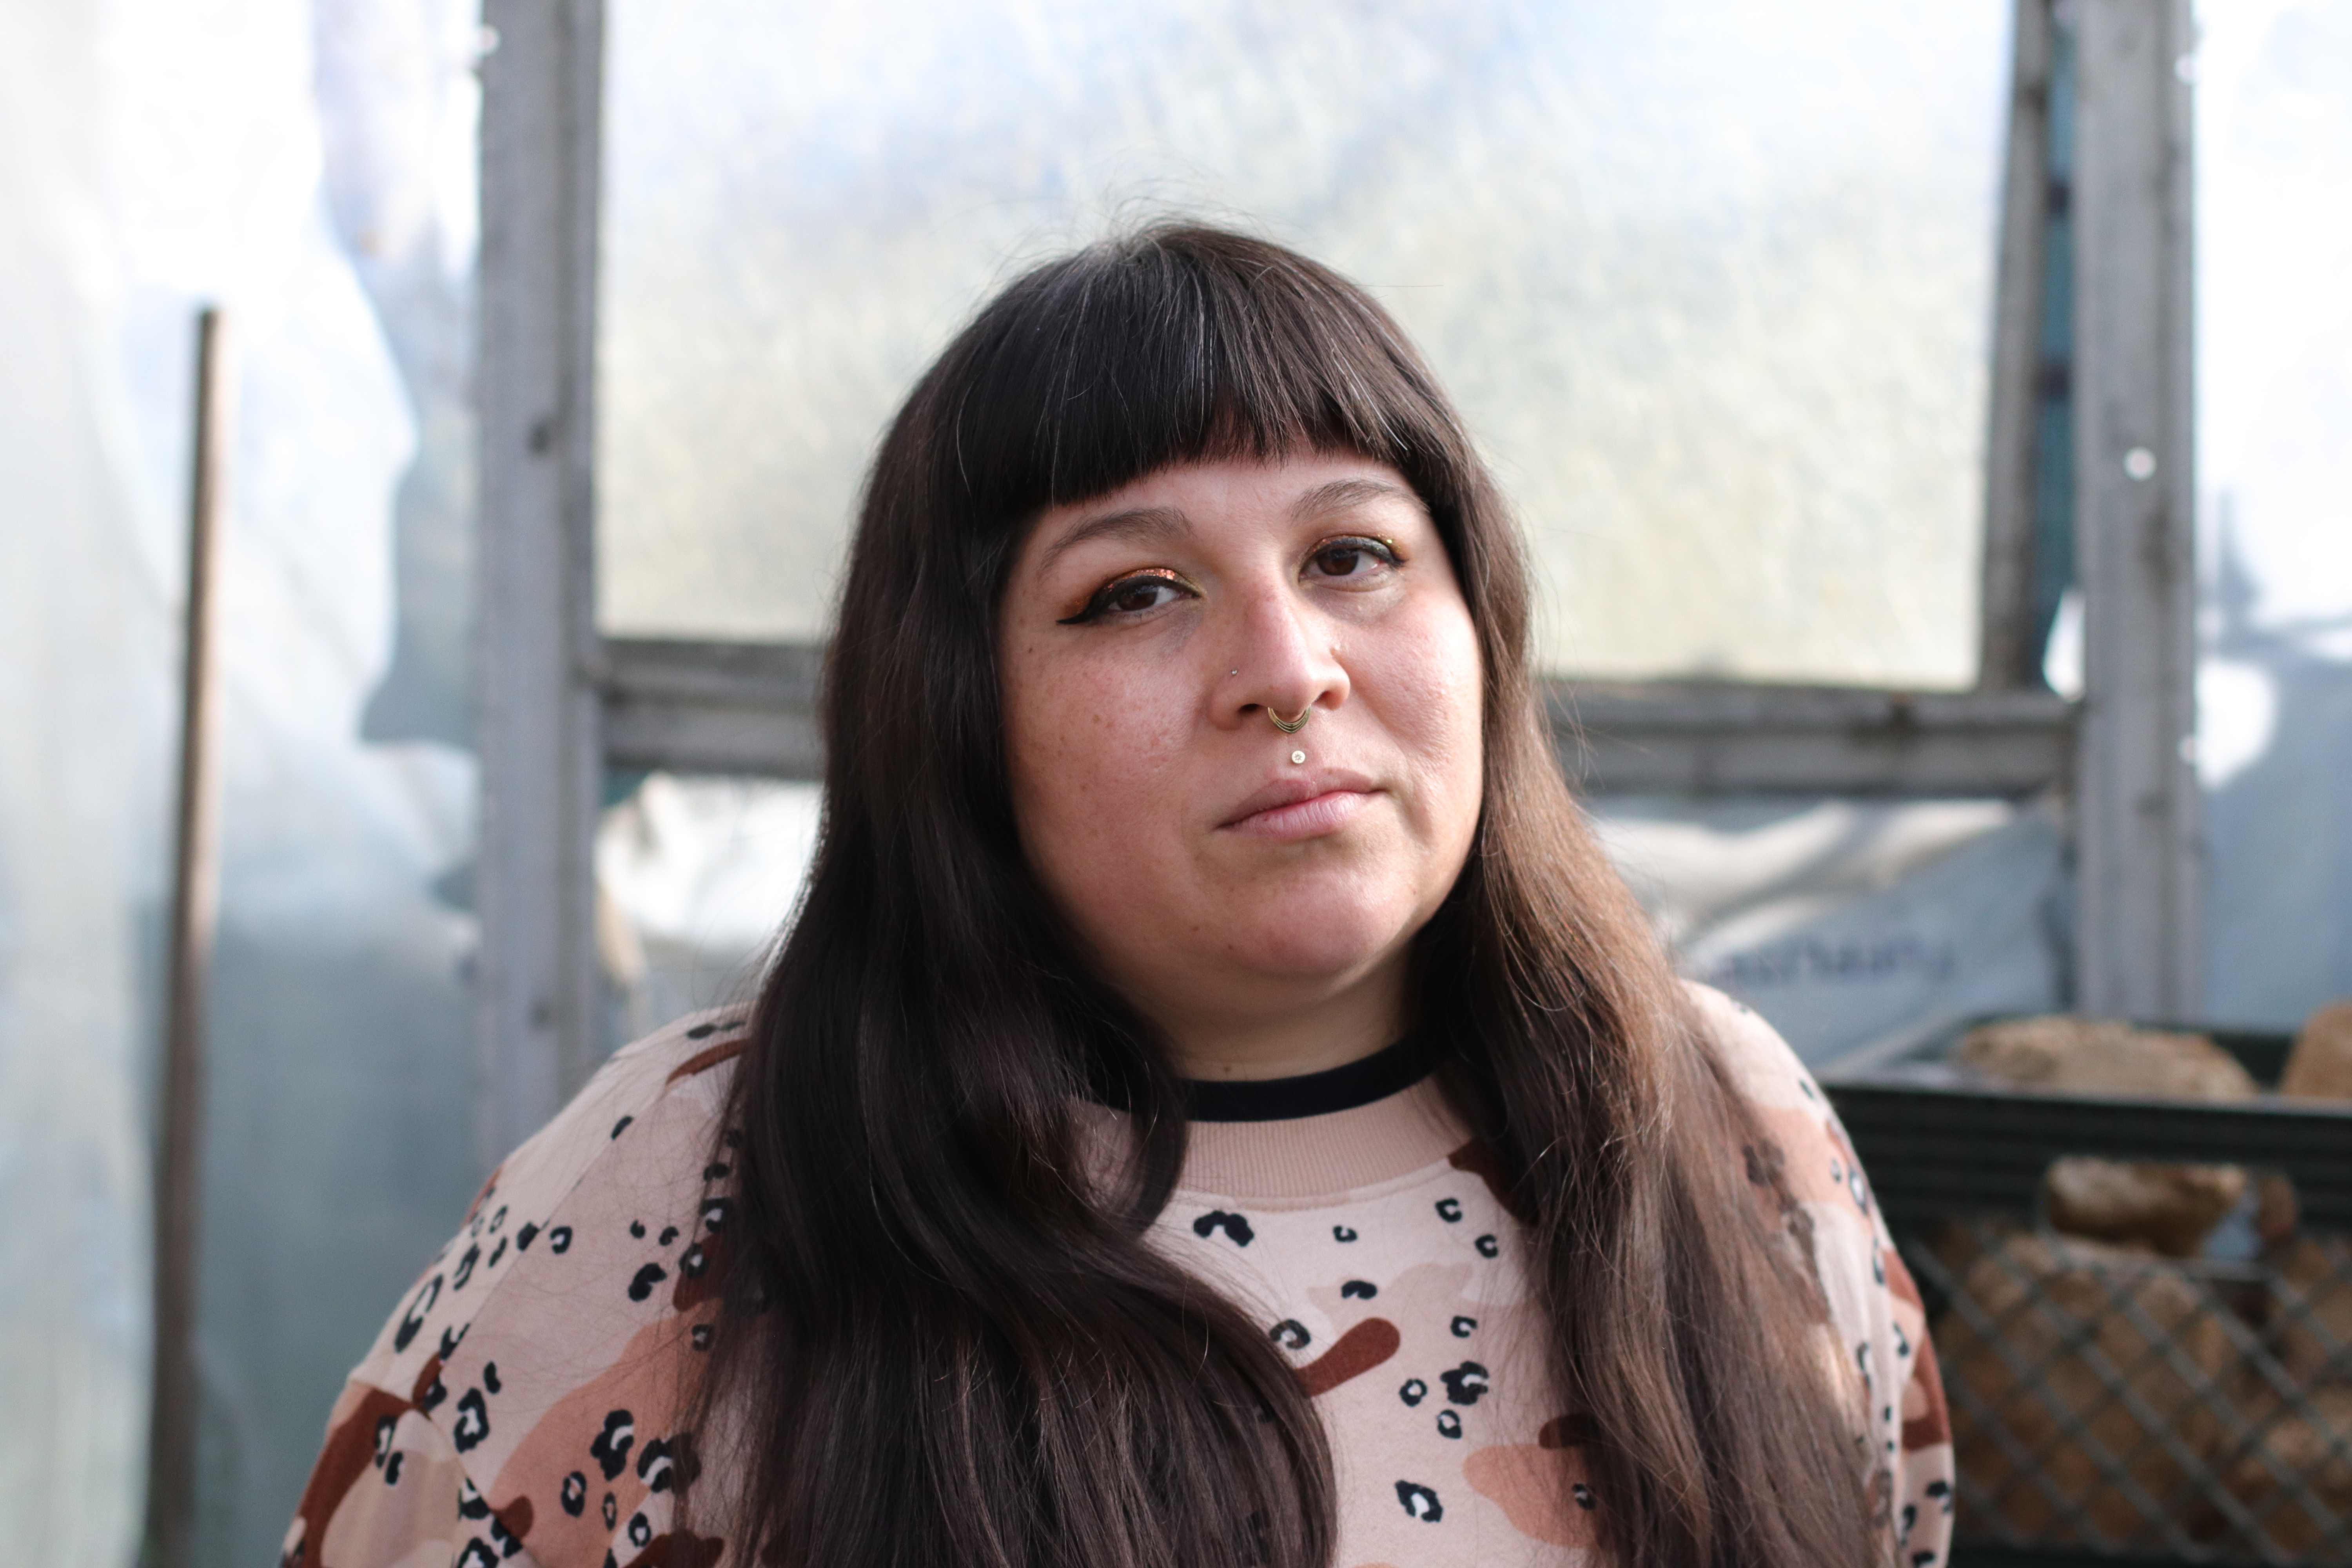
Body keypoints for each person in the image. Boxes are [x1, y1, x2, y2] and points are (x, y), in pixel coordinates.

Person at [282, 223, 1951, 1568]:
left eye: (1352, 554)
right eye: (1135, 591)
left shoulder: (1729, 1121)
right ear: (958, 708)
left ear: (1482, 622)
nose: (1285, 670)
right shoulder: (690, 1185)